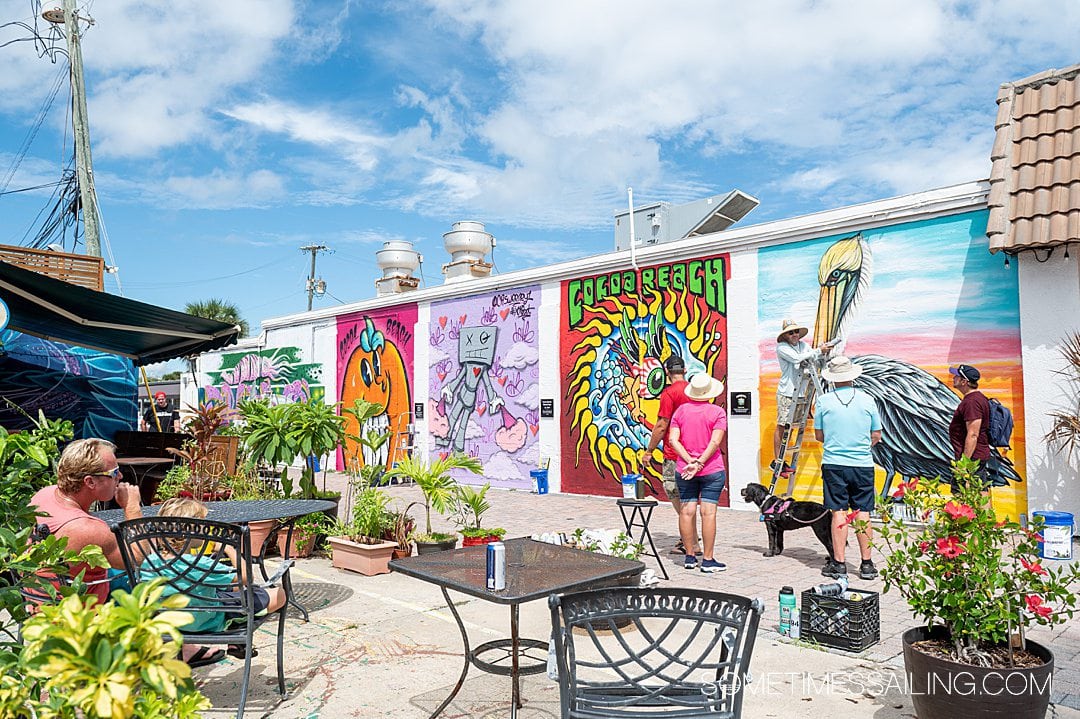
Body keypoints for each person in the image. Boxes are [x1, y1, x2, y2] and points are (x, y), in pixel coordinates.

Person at [139, 497, 287, 667]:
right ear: (191, 531)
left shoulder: (149, 563)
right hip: (208, 621)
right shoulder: (201, 564)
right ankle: (237, 632)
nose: (206, 529)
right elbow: (247, 577)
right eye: (203, 525)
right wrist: (229, 549)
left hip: (171, 624)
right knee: (278, 594)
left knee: (228, 590)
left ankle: (237, 639)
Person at [30, 438, 145, 606]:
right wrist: (132, 507)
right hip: (76, 615)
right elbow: (137, 559)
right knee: (157, 574)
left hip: (38, 598)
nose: (120, 476)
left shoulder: (43, 495)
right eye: (114, 473)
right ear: (90, 481)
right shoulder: (87, 529)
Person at [814, 356, 882, 580]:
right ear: (852, 375)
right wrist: (860, 446)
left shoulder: (824, 401)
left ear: (832, 378)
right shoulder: (867, 399)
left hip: (834, 464)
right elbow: (876, 435)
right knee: (863, 512)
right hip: (862, 464)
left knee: (839, 511)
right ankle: (867, 564)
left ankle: (839, 563)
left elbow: (819, 435)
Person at [668, 373, 728, 573]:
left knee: (686, 511)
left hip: (684, 469)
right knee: (708, 513)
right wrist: (700, 462)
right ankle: (708, 560)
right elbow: (715, 442)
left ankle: (690, 556)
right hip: (711, 468)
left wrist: (689, 460)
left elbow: (673, 440)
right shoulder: (717, 412)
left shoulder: (681, 411)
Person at [643, 355, 697, 556]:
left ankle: (689, 540)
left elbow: (661, 425)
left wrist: (649, 450)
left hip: (675, 454)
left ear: (666, 372)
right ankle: (693, 541)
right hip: (697, 453)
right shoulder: (696, 390)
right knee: (689, 498)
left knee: (677, 497)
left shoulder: (669, 393)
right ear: (684, 370)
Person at [773, 319, 829, 476]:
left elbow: (810, 358)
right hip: (787, 392)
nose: (794, 335)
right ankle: (777, 461)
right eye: (791, 332)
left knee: (791, 427)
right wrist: (819, 350)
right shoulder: (782, 348)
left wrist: (820, 353)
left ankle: (783, 461)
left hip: (800, 393)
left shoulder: (803, 346)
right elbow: (798, 359)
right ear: (785, 335)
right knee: (782, 426)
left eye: (796, 331)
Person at [947, 363, 991, 489]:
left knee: (962, 492)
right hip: (975, 456)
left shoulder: (972, 402)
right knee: (979, 490)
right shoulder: (975, 399)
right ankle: (985, 510)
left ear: (964, 381)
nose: (953, 378)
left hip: (972, 458)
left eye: (956, 376)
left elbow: (973, 434)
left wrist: (964, 463)